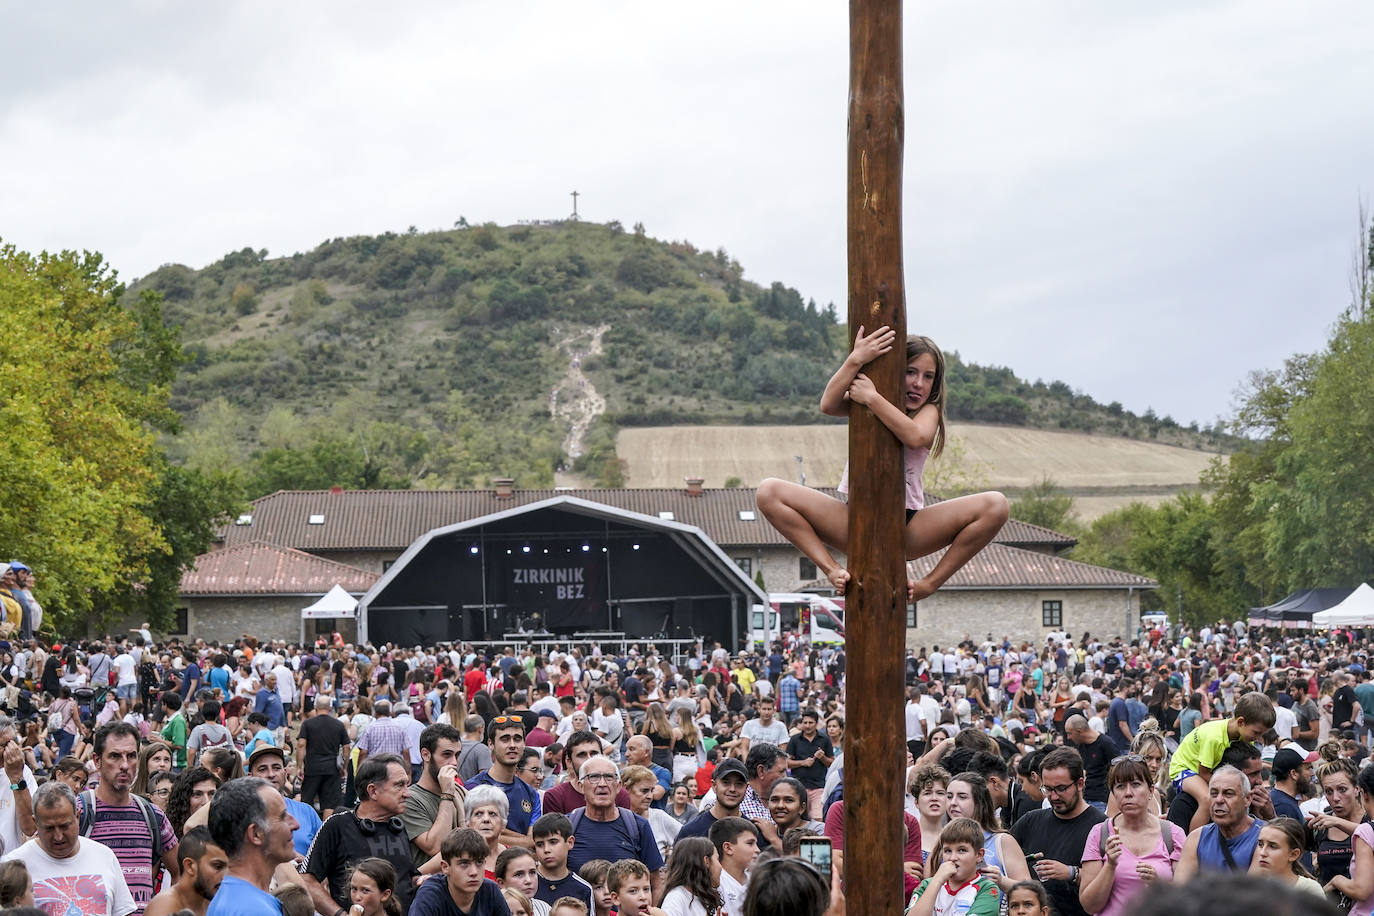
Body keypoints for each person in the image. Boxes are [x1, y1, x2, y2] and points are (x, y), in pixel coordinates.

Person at [755, 327, 1008, 600]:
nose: (918, 383)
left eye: (928, 377)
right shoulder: (863, 400)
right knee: (769, 491)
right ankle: (831, 569)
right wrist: (856, 360)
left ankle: (930, 583)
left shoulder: (926, 410)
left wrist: (873, 399)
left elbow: (915, 436)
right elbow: (828, 405)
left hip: (907, 527)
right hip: (855, 519)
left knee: (996, 505)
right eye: (910, 372)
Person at [76, 722, 180, 912]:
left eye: (131, 756)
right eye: (115, 756)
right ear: (97, 760)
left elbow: (180, 872)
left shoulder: (153, 816)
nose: (124, 765)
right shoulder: (78, 812)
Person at [302, 753, 422, 915]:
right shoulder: (337, 825)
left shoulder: (398, 827)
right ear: (373, 791)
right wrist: (341, 915)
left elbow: (408, 878)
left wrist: (424, 881)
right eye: (399, 785)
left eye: (407, 785)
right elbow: (307, 880)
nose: (407, 793)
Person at [2, 780, 135, 916]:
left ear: (77, 816)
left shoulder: (104, 856)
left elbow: (124, 912)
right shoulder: (14, 866)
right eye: (49, 828)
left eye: (65, 826)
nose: (58, 836)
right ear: (35, 822)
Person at [1077, 755, 1186, 916]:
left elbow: (1187, 900)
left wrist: (1160, 884)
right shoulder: (1100, 833)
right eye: (1120, 786)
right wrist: (1110, 866)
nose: (1128, 793)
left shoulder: (1172, 834)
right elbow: (1090, 906)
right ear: (1113, 793)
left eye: (1136, 784)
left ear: (1150, 790)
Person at [1011, 746, 1106, 916]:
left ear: (1080, 784)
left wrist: (1072, 873)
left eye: (1061, 788)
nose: (1053, 796)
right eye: (1047, 789)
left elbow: (1111, 882)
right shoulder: (1030, 821)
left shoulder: (1101, 827)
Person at [1167, 691, 1275, 831]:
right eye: (1256, 733)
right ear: (1241, 722)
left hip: (1203, 769)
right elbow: (1203, 772)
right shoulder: (1214, 738)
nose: (1259, 738)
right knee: (1207, 799)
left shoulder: (1244, 736)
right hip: (1185, 768)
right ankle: (1195, 841)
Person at [564, 756, 664, 896]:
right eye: (594, 777)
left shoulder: (638, 826)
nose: (602, 783)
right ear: (581, 786)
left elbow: (655, 883)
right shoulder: (567, 827)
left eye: (609, 777)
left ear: (618, 786)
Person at [944, 771, 1030, 892]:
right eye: (949, 796)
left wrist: (1002, 881)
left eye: (962, 797)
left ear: (980, 801)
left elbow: (1030, 891)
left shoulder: (1001, 841)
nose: (953, 803)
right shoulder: (942, 841)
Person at [1174, 764, 1264, 877]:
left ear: (1247, 799)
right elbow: (1180, 889)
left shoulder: (1264, 838)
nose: (1219, 800)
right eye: (1214, 793)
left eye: (1228, 794)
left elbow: (1253, 892)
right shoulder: (1196, 838)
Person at [466, 715, 541, 844]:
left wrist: (497, 835)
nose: (512, 745)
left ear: (524, 743)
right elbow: (474, 836)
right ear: (491, 744)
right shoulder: (473, 788)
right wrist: (525, 841)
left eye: (517, 739)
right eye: (505, 739)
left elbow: (535, 841)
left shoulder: (531, 794)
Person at [908, 817, 1002, 916]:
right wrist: (937, 880)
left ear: (979, 855)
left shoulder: (987, 889)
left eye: (962, 850)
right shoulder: (927, 885)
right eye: (947, 851)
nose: (953, 858)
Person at [408, 827, 513, 916]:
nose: (474, 872)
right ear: (445, 867)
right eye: (464, 864)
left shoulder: (491, 891)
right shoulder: (430, 894)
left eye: (479, 863)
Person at [403, 723, 466, 868]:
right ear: (426, 754)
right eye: (446, 755)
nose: (454, 762)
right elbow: (435, 847)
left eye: (457, 755)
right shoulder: (409, 799)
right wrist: (447, 794)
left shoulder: (461, 792)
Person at [247, 744, 322, 858]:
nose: (271, 774)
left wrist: (307, 864)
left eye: (276, 768)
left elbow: (325, 857)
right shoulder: (242, 815)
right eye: (262, 769)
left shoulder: (307, 811)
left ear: (285, 773)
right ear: (250, 777)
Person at [1310, 745, 1365, 890]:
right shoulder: (1322, 824)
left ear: (1357, 789)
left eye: (1342, 790)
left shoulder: (1369, 819)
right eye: (1328, 791)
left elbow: (1368, 835)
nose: (1335, 798)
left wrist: (1337, 822)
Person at [144, 826, 227, 916]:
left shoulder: (214, 902)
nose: (224, 876)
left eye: (228, 868)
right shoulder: (164, 906)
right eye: (217, 866)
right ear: (190, 866)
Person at [1326, 763, 1374, 913]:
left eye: (1342, 789)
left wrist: (1337, 880)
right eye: (1328, 791)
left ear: (1363, 793)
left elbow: (1361, 890)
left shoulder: (1365, 831)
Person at [297, 694, 351, 818]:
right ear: (330, 708)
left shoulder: (308, 724)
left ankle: (307, 827)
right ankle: (325, 831)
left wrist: (299, 766)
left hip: (312, 767)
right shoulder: (338, 724)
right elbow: (347, 748)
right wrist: (344, 767)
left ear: (316, 707)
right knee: (330, 803)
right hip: (332, 768)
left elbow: (301, 744)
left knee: (307, 800)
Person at [1248, 817, 1326, 899]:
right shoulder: (1254, 887)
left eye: (1273, 846)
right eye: (1260, 844)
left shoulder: (1308, 890)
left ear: (1293, 854)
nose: (1262, 853)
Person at [531, 814, 595, 912]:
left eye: (553, 842)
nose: (546, 849)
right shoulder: (527, 882)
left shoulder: (583, 888)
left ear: (570, 842)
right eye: (540, 844)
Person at [676, 758, 750, 841]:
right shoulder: (690, 832)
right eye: (726, 783)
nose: (732, 789)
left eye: (739, 784)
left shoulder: (753, 832)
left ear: (746, 788)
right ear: (714, 786)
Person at [621, 765, 682, 862]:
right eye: (644, 791)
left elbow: (689, 840)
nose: (650, 796)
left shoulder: (659, 817)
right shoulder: (614, 817)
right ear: (626, 789)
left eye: (652, 790)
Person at [784, 710, 833, 820]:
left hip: (818, 787)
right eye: (805, 723)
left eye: (810, 723)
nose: (807, 726)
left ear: (816, 723)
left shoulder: (824, 739)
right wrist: (802, 762)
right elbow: (786, 762)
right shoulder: (795, 739)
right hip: (799, 786)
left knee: (818, 818)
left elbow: (831, 763)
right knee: (798, 818)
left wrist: (823, 757)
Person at [0, 714, 37, 854]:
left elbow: (30, 827)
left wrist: (16, 777)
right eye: (5, 745)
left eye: (13, 742)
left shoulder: (22, 771)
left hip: (8, 865)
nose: (13, 749)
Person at [659, 835, 723, 916]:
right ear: (706, 861)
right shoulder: (676, 898)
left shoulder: (705, 897)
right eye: (717, 859)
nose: (720, 867)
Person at [708, 817, 759, 916]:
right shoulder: (714, 882)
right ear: (728, 848)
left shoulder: (756, 879)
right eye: (750, 843)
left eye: (756, 844)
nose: (757, 850)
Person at [1066, 715, 1111, 812]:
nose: (1068, 737)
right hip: (1085, 797)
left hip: (1101, 798)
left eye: (1070, 733)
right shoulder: (1082, 745)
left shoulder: (1106, 744)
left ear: (1079, 731)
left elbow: (1119, 768)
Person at [493, 846, 550, 916]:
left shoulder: (545, 909)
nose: (528, 880)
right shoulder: (489, 910)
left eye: (532, 872)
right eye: (519, 874)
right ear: (501, 883)